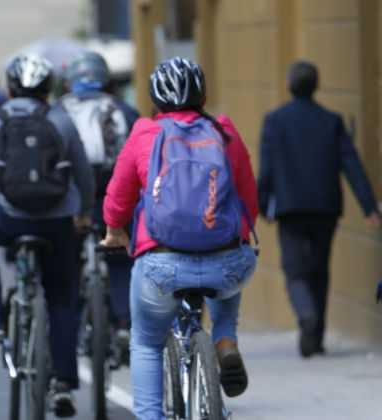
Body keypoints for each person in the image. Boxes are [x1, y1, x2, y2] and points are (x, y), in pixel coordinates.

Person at [100, 57, 259, 420]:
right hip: (226, 264)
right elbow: (250, 202)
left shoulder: (145, 134)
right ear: (202, 94)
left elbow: (118, 198)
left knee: (146, 343)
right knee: (229, 277)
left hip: (162, 265)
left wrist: (114, 230)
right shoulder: (224, 134)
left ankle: (150, 416)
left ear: (155, 99)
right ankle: (224, 338)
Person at [0, 53, 95, 417]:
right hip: (57, 222)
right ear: (47, 89)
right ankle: (64, 383)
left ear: (9, 87)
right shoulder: (61, 120)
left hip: (10, 219)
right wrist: (84, 213)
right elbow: (82, 173)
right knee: (62, 297)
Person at [257, 60, 380, 358]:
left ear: (289, 85)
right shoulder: (331, 120)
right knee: (319, 270)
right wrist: (369, 206)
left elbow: (267, 168)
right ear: (316, 85)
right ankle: (316, 338)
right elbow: (352, 164)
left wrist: (261, 204)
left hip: (289, 208)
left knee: (294, 269)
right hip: (325, 208)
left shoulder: (275, 121)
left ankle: (307, 315)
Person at [59, 51, 139, 358]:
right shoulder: (123, 109)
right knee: (120, 257)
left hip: (73, 197)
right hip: (114, 196)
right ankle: (123, 323)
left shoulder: (59, 110)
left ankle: (75, 323)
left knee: (67, 263)